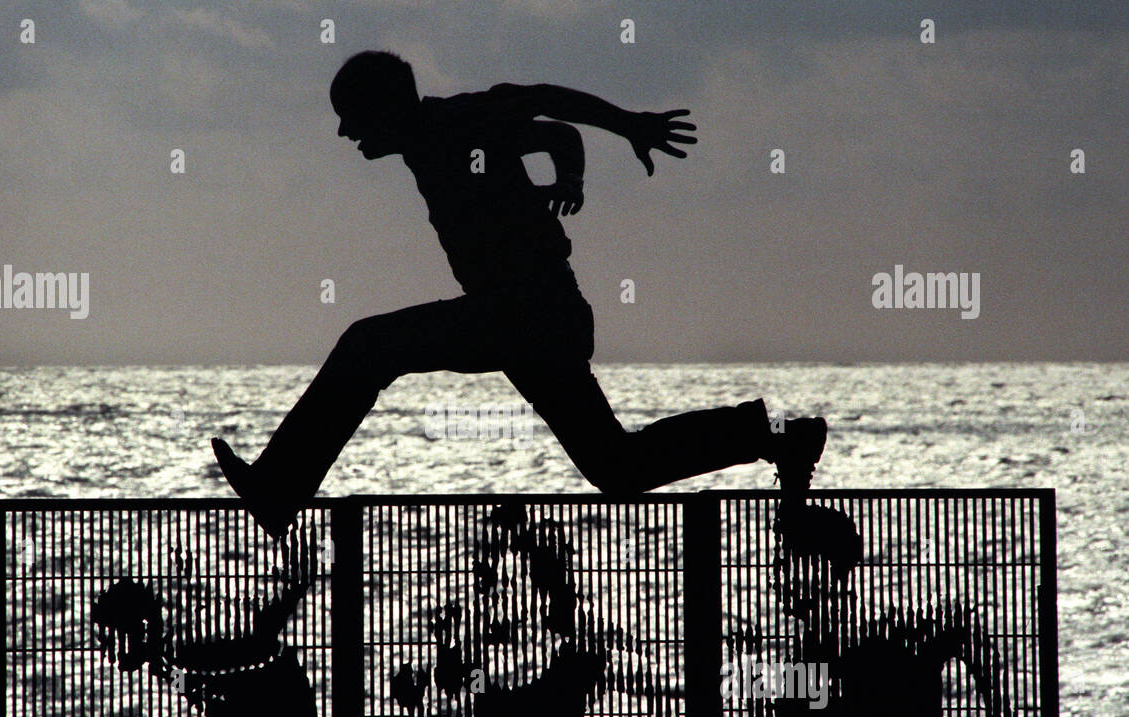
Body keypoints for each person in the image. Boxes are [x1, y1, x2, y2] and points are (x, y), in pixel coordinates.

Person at [214, 51, 826, 538]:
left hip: (529, 311)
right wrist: (569, 173)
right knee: (615, 467)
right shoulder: (432, 141)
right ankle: (771, 435)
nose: (344, 131)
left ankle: (278, 489)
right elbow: (557, 137)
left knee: (369, 344)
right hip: (531, 325)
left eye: (352, 115)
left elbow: (549, 105)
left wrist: (625, 128)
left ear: (390, 109)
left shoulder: (460, 122)